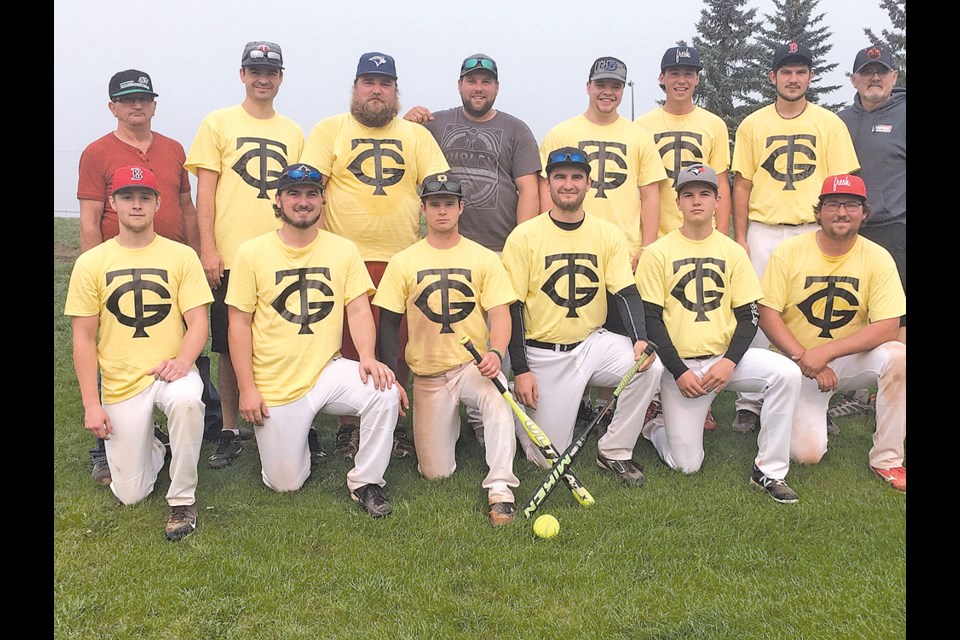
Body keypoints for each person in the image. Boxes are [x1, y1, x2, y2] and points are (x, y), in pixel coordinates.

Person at [225, 163, 406, 517]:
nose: (303, 202)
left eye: (311, 194)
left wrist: (368, 356)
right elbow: (239, 323)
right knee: (285, 483)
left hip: (327, 368)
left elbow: (357, 309)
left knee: (383, 392)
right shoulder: (251, 252)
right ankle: (299, 442)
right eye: (294, 194)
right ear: (278, 200)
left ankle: (366, 481)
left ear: (323, 201)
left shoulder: (342, 249)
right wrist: (247, 387)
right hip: (276, 380)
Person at [300, 51, 449, 460]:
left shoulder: (416, 136)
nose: (376, 91)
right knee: (349, 347)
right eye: (368, 82)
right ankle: (349, 426)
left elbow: (439, 188)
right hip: (345, 256)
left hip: (403, 257)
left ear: (396, 92)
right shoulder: (330, 130)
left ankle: (394, 422)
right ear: (355, 88)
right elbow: (311, 189)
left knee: (399, 345)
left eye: (384, 84)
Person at [77, 69, 222, 486]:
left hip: (172, 264)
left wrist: (196, 255)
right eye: (126, 100)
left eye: (143, 97)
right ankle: (106, 441)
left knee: (183, 346)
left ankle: (188, 425)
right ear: (113, 108)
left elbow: (187, 208)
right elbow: (89, 219)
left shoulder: (174, 149)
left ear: (154, 104)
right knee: (116, 351)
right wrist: (96, 276)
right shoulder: (96, 152)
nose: (136, 105)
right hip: (118, 269)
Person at [637, 164, 802, 504]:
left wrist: (729, 362)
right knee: (687, 466)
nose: (697, 201)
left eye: (705, 194)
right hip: (680, 367)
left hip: (725, 361)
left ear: (716, 201)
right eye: (688, 195)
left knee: (786, 372)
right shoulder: (657, 252)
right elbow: (650, 320)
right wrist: (678, 371)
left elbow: (749, 315)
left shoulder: (732, 252)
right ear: (678, 203)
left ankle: (769, 471)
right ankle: (653, 427)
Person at [500, 147, 663, 485]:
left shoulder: (607, 233)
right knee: (544, 460)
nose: (569, 184)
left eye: (576, 177)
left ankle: (614, 451)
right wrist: (522, 369)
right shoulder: (524, 236)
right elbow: (512, 307)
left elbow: (625, 292)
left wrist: (639, 340)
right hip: (542, 352)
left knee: (649, 365)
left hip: (591, 343)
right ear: (548, 184)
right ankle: (518, 405)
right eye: (560, 177)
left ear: (589, 183)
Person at [65, 165, 211, 540]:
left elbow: (198, 323)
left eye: (145, 197)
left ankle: (182, 499)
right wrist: (91, 404)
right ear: (113, 203)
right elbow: (82, 337)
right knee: (130, 494)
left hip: (170, 370)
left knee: (187, 402)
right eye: (127, 197)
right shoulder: (92, 262)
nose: (136, 205)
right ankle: (158, 444)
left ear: (158, 203)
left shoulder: (181, 256)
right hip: (120, 381)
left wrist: (183, 362)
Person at [402, 52, 542, 444]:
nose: (478, 87)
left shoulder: (516, 129)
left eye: (486, 81)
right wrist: (408, 120)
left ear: (496, 87)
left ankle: (487, 415)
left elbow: (528, 188)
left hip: (498, 247)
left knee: (498, 330)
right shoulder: (437, 123)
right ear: (459, 85)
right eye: (471, 80)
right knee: (449, 328)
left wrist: (521, 242)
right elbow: (397, 146)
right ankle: (447, 411)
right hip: (446, 249)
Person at [184, 41, 307, 469]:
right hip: (232, 253)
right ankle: (230, 429)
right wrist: (209, 247)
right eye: (255, 70)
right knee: (228, 345)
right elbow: (207, 189)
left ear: (280, 78)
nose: (263, 78)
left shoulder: (292, 131)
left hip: (280, 251)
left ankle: (295, 421)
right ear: (242, 74)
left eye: (270, 71)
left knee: (285, 336)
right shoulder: (217, 123)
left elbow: (298, 194)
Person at [372, 172, 520, 526]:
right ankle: (458, 422)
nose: (441, 211)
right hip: (428, 374)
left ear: (461, 208)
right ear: (423, 209)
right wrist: (391, 373)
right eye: (434, 204)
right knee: (436, 473)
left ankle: (501, 488)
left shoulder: (484, 258)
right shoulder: (404, 261)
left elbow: (501, 314)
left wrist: (496, 354)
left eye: (448, 205)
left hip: (470, 366)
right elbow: (389, 323)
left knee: (497, 391)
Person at [730, 42, 859, 435]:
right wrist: (741, 237)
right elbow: (742, 184)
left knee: (809, 313)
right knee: (754, 312)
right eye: (786, 72)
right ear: (773, 77)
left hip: (811, 228)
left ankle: (812, 396)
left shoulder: (829, 123)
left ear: (810, 77)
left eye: (800, 72)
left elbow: (845, 185)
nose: (793, 78)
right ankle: (749, 402)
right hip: (765, 228)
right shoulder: (754, 123)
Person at [540, 56, 668, 431]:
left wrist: (647, 245)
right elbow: (550, 190)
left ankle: (606, 406)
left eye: (615, 86)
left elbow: (651, 194)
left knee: (617, 330)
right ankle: (574, 401)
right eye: (601, 85)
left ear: (622, 89)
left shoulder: (638, 136)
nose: (607, 92)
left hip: (623, 248)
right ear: (588, 86)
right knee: (573, 316)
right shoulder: (562, 133)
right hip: (573, 244)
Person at [757, 174, 906, 492]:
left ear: (864, 213)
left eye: (851, 205)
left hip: (845, 361)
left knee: (899, 356)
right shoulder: (790, 251)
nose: (842, 212)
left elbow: (888, 325)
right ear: (818, 212)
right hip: (797, 365)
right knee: (807, 455)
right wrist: (803, 356)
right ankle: (786, 412)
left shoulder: (877, 257)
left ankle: (888, 459)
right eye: (833, 204)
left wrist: (826, 353)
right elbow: (767, 315)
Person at [635, 44, 732, 432]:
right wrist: (644, 241)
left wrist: (721, 235)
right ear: (662, 78)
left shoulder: (712, 124)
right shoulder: (642, 125)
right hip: (658, 235)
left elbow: (721, 181)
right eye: (674, 73)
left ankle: (703, 395)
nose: (681, 80)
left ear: (697, 79)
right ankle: (653, 398)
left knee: (699, 309)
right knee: (660, 316)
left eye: (689, 73)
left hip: (699, 233)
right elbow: (642, 186)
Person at [831, 45, 906, 423]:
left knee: (898, 316)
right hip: (848, 230)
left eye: (882, 72)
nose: (874, 78)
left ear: (894, 76)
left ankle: (894, 393)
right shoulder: (840, 120)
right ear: (854, 79)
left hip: (896, 229)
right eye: (866, 72)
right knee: (852, 310)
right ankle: (857, 391)